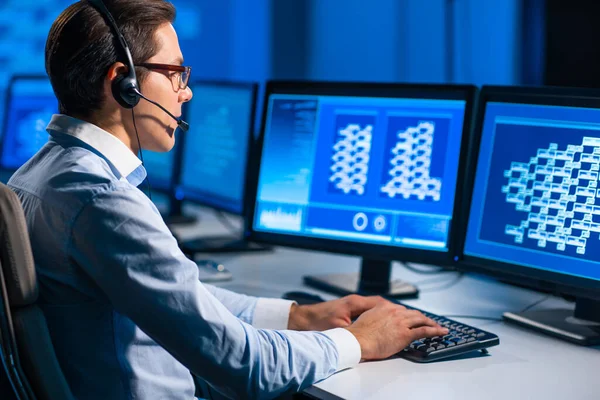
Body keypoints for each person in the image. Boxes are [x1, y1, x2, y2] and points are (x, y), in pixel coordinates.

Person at [8, 0, 448, 398]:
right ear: (123, 83)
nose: (186, 91)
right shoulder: (104, 200)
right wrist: (360, 341)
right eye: (175, 73)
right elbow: (244, 365)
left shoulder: (38, 176)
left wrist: (297, 316)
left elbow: (183, 300)